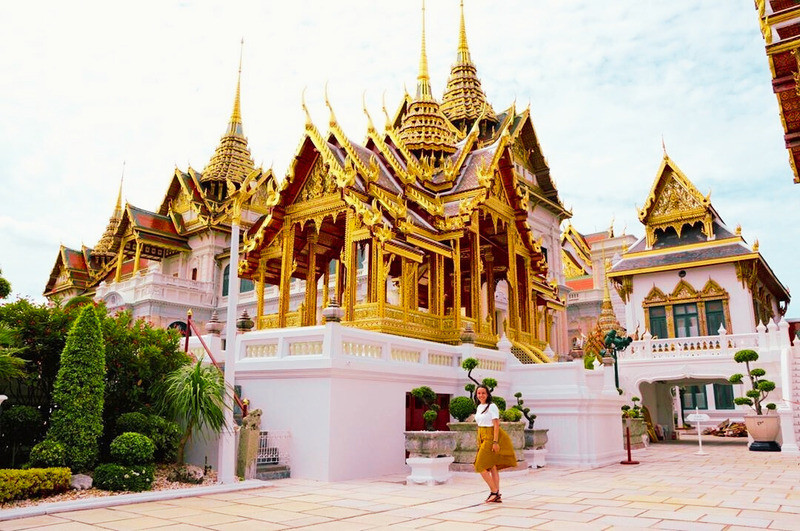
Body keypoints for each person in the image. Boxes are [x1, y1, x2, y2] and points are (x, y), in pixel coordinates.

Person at [473, 384, 517, 503]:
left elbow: (496, 425)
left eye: (483, 393)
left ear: (488, 394)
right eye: (479, 393)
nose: (481, 395)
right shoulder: (479, 407)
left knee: (479, 466)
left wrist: (495, 442)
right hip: (482, 436)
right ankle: (496, 493)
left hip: (490, 436)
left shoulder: (492, 406)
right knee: (492, 466)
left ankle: (494, 492)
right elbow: (479, 425)